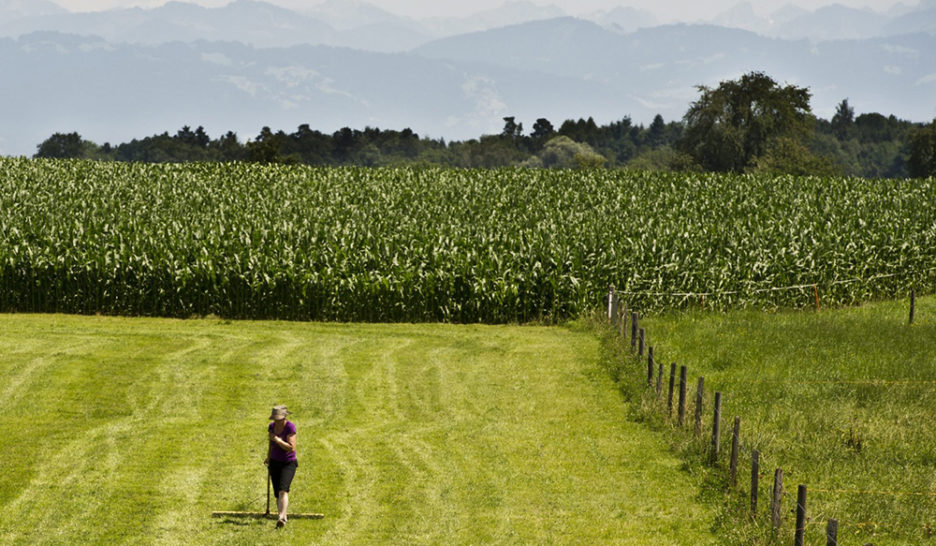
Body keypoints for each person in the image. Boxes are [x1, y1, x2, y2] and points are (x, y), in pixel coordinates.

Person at [264, 405, 297, 527]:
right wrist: (268, 457)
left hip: (288, 463)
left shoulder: (290, 427)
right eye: (275, 420)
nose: (277, 422)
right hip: (274, 462)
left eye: (279, 419)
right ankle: (282, 515)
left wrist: (278, 440)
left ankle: (282, 517)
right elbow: (270, 445)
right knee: (277, 493)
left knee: (283, 490)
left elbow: (291, 448)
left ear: (284, 418)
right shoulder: (271, 427)